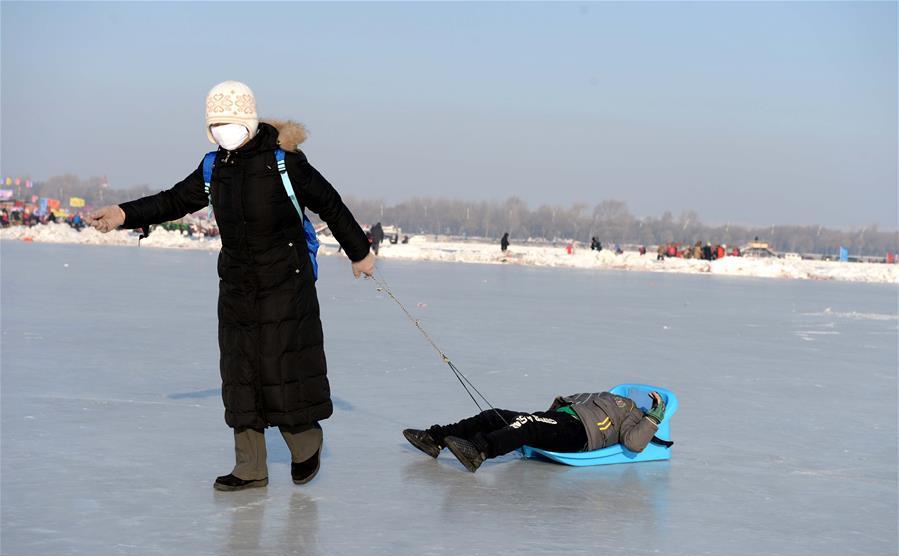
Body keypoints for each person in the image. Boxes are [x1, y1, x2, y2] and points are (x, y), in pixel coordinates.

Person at [85, 81, 376, 491]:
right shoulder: (213, 167)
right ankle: (250, 467)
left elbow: (330, 203)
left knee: (280, 366)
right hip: (238, 284)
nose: (224, 129)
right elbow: (173, 200)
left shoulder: (284, 162)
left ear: (249, 121)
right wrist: (123, 213)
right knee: (239, 372)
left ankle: (306, 441)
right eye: (216, 123)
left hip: (285, 282)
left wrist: (359, 251)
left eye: (231, 121)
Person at [403, 391, 666, 472]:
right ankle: (435, 438)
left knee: (526, 426)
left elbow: (634, 443)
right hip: (557, 421)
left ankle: (480, 451)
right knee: (492, 415)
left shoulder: (636, 417)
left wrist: (654, 415)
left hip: (578, 433)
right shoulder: (611, 396)